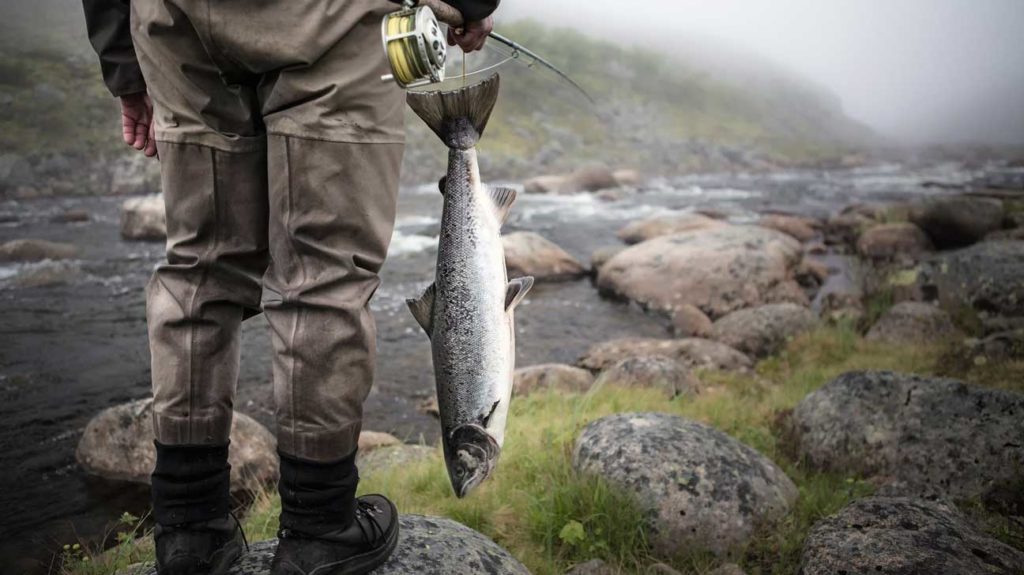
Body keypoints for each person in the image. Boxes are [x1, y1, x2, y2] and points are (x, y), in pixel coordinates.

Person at [81, 0, 499, 573]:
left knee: (200, 268)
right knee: (323, 277)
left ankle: (188, 530)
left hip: (174, 19)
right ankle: (320, 527)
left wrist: (125, 66)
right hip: (333, 15)